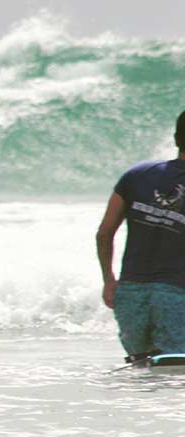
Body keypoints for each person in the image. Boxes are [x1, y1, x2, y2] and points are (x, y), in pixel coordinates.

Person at [97, 110, 185, 361]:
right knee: (174, 372)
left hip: (130, 293)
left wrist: (109, 280)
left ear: (176, 138)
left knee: (142, 367)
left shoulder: (137, 175)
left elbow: (104, 233)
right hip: (176, 295)